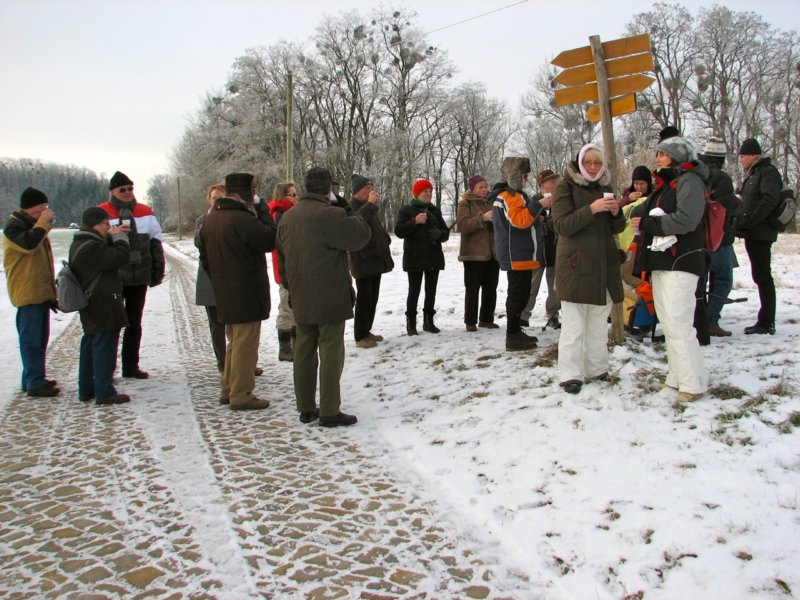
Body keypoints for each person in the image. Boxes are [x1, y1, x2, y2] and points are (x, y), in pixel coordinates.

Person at [277, 167, 372, 426]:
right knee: (331, 350)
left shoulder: (287, 217)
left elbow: (282, 260)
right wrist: (347, 208)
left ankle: (306, 408)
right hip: (329, 293)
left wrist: (291, 287)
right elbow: (361, 236)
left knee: (304, 349)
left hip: (300, 291)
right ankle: (329, 410)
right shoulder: (331, 214)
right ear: (329, 189)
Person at [631, 137, 709, 402]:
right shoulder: (664, 185)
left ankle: (692, 385)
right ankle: (679, 377)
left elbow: (688, 219)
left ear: (675, 156)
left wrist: (650, 225)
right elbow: (640, 209)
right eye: (658, 153)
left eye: (663, 154)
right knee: (669, 323)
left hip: (682, 260)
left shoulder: (690, 181)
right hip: (662, 261)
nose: (658, 158)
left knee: (679, 323)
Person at [198, 173, 277, 410]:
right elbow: (269, 239)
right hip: (245, 291)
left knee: (234, 342)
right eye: (252, 189)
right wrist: (263, 212)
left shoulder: (212, 219)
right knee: (244, 344)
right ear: (244, 192)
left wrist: (219, 280)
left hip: (225, 290)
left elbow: (205, 259)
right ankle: (241, 393)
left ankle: (228, 388)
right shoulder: (241, 219)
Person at [552, 144, 625, 394]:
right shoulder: (565, 187)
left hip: (603, 265)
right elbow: (562, 225)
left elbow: (617, 228)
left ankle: (596, 368)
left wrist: (616, 213)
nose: (593, 167)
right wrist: (591, 209)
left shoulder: (605, 188)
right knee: (573, 325)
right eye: (589, 162)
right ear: (580, 163)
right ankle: (570, 374)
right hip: (575, 265)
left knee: (597, 323)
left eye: (597, 162)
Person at [98, 171, 165, 379]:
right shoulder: (102, 212)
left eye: (130, 189)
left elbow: (156, 242)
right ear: (112, 192)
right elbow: (95, 245)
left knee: (134, 323)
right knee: (112, 324)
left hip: (139, 276)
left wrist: (157, 270)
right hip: (114, 277)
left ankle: (130, 366)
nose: (127, 193)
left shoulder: (145, 211)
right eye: (122, 190)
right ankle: (106, 369)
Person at [70, 207, 133, 405]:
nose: (109, 228)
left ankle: (87, 388)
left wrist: (111, 236)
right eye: (107, 224)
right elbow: (119, 258)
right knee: (105, 344)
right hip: (102, 301)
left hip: (90, 301)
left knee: (90, 341)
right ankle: (104, 391)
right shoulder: (92, 246)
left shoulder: (81, 242)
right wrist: (121, 239)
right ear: (96, 225)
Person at [3, 187, 60, 397]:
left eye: (46, 209)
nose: (45, 213)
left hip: (39, 292)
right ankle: (34, 382)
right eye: (40, 209)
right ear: (28, 209)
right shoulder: (14, 228)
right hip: (27, 293)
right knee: (31, 340)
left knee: (40, 340)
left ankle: (33, 378)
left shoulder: (32, 226)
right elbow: (29, 244)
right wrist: (43, 223)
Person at [735, 138, 783, 335]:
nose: (741, 160)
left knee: (763, 276)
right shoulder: (755, 173)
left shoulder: (767, 172)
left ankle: (766, 321)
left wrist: (751, 221)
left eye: (743, 156)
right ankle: (764, 320)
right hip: (753, 232)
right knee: (759, 275)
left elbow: (769, 199)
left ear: (755, 155)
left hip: (761, 233)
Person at [491, 157, 539, 351]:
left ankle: (516, 331)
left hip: (520, 254)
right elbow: (520, 220)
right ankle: (512, 335)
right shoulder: (510, 196)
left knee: (520, 293)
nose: (527, 180)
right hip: (516, 254)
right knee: (517, 294)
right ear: (517, 177)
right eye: (525, 176)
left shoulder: (514, 195)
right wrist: (538, 204)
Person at [395, 178, 449, 336]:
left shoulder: (435, 210)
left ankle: (429, 322)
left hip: (433, 257)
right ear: (417, 193)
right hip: (415, 257)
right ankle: (411, 325)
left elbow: (446, 233)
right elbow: (399, 231)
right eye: (425, 191)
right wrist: (414, 222)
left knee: (431, 291)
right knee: (414, 291)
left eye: (430, 191)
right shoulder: (406, 210)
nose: (429, 194)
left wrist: (439, 234)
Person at [698, 138, 741, 337]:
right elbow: (733, 206)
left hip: (699, 239)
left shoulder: (696, 175)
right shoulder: (722, 179)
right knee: (723, 280)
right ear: (721, 158)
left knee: (701, 281)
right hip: (720, 239)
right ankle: (710, 320)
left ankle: (700, 319)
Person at [348, 174, 394, 348]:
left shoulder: (370, 207)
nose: (371, 191)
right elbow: (356, 224)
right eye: (367, 188)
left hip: (375, 260)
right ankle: (360, 336)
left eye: (371, 188)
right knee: (364, 299)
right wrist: (370, 205)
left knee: (373, 298)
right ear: (357, 191)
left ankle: (367, 331)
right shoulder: (351, 206)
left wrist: (385, 241)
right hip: (362, 260)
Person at [456, 175, 499, 332]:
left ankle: (487, 319)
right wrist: (482, 218)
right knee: (473, 288)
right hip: (473, 253)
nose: (484, 189)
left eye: (486, 186)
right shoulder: (465, 204)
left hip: (493, 253)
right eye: (480, 187)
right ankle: (470, 321)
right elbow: (462, 226)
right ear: (472, 188)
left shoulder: (492, 202)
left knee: (491, 288)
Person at [521, 169, 561, 330]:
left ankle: (553, 316)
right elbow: (524, 222)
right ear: (542, 185)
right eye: (552, 182)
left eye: (557, 182)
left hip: (555, 250)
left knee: (555, 289)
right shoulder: (533, 202)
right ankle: (523, 316)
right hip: (536, 252)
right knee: (531, 287)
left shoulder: (561, 201)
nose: (555, 185)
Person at [195, 184, 228, 372]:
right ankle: (223, 362)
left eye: (221, 197)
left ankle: (239, 361)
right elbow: (199, 242)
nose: (218, 201)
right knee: (216, 324)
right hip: (210, 278)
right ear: (209, 199)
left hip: (230, 279)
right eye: (215, 197)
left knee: (236, 324)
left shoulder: (233, 219)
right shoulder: (202, 220)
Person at [268, 182, 299, 361]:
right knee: (286, 307)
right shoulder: (280, 214)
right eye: (292, 195)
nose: (296, 198)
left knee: (294, 307)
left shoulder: (288, 213)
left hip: (291, 267)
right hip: (285, 268)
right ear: (282, 196)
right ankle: (285, 348)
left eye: (296, 194)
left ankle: (295, 344)